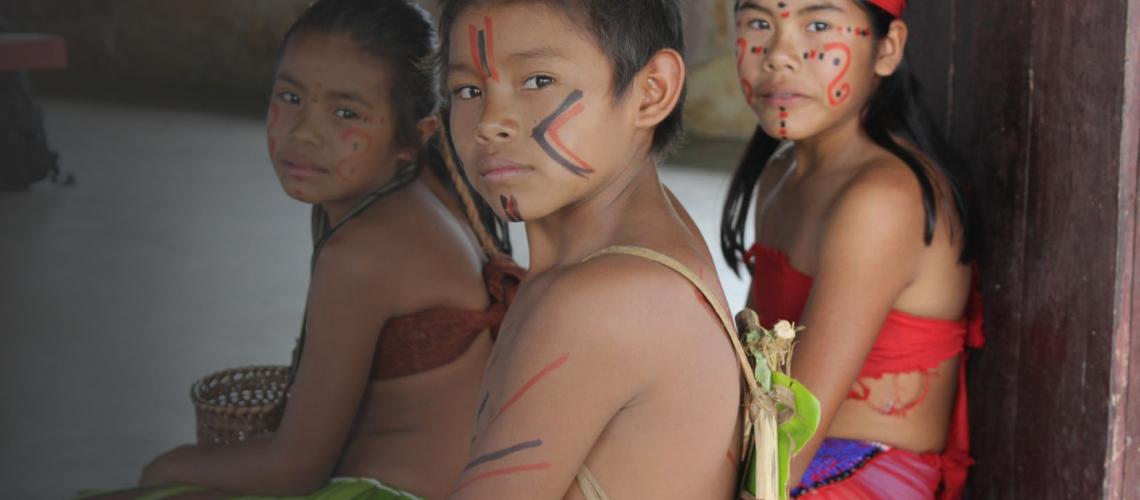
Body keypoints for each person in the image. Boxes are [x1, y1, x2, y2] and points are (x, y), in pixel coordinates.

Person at [83, 0, 520, 498]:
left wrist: (167, 465)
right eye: (290, 97)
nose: (305, 133)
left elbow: (295, 470)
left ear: (414, 135)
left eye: (345, 112)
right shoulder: (429, 188)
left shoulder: (361, 253)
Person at [437, 0, 748, 498]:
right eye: (468, 90)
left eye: (538, 81)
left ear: (652, 90)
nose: (490, 122)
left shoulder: (605, 300)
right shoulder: (638, 241)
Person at [721, 0, 983, 498]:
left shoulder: (883, 199)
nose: (779, 55)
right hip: (785, 452)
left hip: (862, 473)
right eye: (759, 23)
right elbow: (754, 374)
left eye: (819, 25)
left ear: (887, 49)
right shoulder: (780, 175)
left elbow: (787, 447)